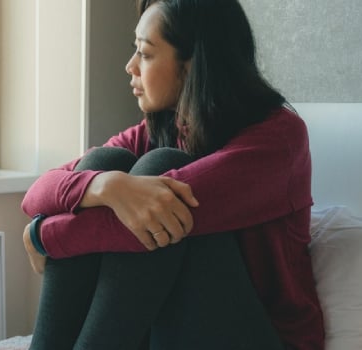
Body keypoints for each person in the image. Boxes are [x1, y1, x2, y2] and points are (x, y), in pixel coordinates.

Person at [21, 0, 325, 348]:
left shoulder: (278, 139)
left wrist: (43, 234)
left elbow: (158, 217)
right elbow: (38, 194)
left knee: (159, 175)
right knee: (103, 164)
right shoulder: (162, 127)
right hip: (172, 328)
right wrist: (105, 186)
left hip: (261, 336)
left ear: (192, 63)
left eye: (146, 54)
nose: (130, 66)